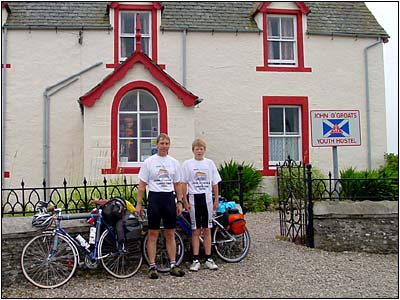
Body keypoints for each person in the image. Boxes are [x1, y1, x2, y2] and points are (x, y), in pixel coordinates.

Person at [135, 133, 185, 279]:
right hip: (155, 198)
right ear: (156, 145)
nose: (164, 146)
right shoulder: (149, 162)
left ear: (169, 145)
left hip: (169, 198)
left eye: (166, 143)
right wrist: (138, 204)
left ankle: (173, 264)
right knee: (153, 233)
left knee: (170, 233)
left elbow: (177, 184)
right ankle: (152, 266)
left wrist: (180, 202)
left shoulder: (174, 162)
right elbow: (142, 186)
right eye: (161, 143)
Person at [182, 138, 221, 271]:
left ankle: (209, 258)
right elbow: (184, 183)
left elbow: (215, 183)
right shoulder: (188, 164)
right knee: (196, 230)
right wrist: (185, 201)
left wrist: (216, 199)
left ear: (204, 150)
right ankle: (196, 259)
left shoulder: (209, 163)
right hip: (194, 198)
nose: (199, 151)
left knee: (207, 229)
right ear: (193, 150)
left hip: (207, 198)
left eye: (201, 148)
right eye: (197, 148)